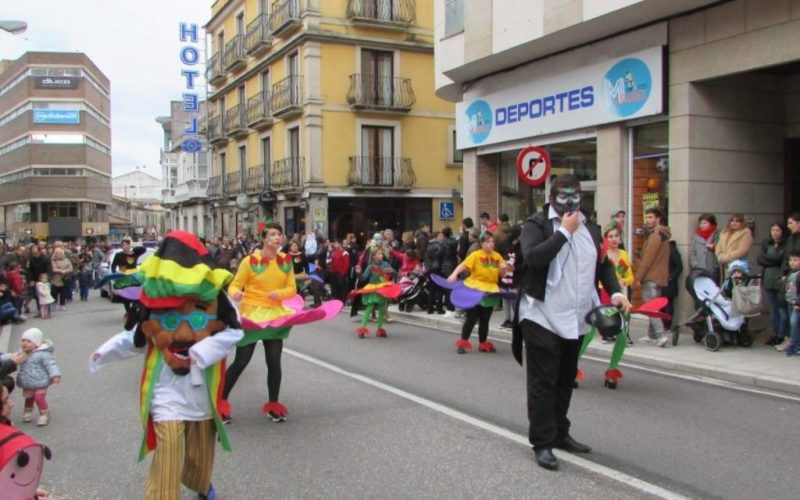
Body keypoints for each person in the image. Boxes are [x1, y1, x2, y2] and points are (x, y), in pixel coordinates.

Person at [90, 231, 242, 499]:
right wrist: (104, 352)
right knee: (169, 445)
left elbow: (234, 332)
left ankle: (200, 483)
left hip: (201, 391)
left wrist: (204, 349)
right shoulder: (155, 297)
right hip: (166, 389)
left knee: (200, 451)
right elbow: (138, 336)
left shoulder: (215, 296)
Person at [511, 174, 630, 471]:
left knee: (566, 379)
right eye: (563, 196)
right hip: (540, 314)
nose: (570, 201)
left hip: (576, 318)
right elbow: (534, 258)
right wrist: (563, 232)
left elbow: (604, 266)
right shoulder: (535, 226)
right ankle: (542, 442)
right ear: (551, 196)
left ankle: (561, 433)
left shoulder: (590, 227)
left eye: (575, 195)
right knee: (543, 381)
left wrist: (615, 292)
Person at [221, 223, 342, 424]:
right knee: (241, 361)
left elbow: (291, 289)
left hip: (275, 315)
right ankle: (221, 402)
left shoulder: (285, 261)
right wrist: (236, 293)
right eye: (273, 234)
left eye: (280, 234)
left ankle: (273, 405)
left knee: (274, 361)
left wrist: (280, 294)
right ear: (263, 239)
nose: (278, 237)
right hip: (253, 314)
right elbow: (235, 284)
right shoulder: (249, 261)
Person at [575, 225, 634, 388]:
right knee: (588, 333)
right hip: (600, 297)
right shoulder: (596, 255)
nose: (614, 239)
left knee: (622, 334)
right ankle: (573, 367)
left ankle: (612, 371)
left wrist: (623, 283)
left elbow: (630, 276)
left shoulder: (623, 255)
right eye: (610, 236)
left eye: (617, 236)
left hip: (619, 298)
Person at [447, 232, 511, 354]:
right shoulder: (476, 255)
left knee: (485, 318)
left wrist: (505, 268)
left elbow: (502, 274)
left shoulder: (497, 256)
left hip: (490, 290)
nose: (491, 244)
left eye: (492, 241)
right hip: (474, 289)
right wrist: (454, 274)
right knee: (471, 317)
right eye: (488, 242)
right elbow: (463, 266)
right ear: (482, 243)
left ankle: (483, 343)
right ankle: (463, 343)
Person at [634, 208, 672, 347]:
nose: (647, 220)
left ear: (658, 218)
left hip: (651, 276)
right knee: (654, 306)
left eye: (650, 217)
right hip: (660, 276)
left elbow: (648, 259)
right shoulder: (663, 235)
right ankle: (652, 334)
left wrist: (639, 276)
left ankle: (661, 336)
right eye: (647, 217)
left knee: (651, 307)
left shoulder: (656, 235)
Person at [350, 248, 400, 338]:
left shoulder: (386, 264)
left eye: (382, 253)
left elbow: (395, 274)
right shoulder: (370, 266)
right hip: (373, 288)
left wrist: (392, 272)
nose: (381, 255)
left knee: (382, 309)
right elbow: (363, 278)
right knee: (369, 308)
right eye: (379, 254)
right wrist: (358, 273)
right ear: (374, 256)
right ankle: (362, 330)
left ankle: (380, 329)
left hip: (382, 288)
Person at [16, 328, 61, 427]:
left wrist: (55, 375)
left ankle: (44, 413)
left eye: (28, 341)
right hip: (27, 381)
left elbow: (51, 364)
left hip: (41, 381)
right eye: (23, 341)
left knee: (39, 397)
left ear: (36, 343)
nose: (24, 343)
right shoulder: (22, 353)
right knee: (29, 397)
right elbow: (15, 361)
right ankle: (27, 411)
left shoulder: (43, 354)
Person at [758, 222, 787, 345]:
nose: (775, 232)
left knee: (782, 310)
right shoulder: (766, 243)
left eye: (777, 230)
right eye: (773, 230)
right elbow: (759, 259)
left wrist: (768, 258)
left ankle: (782, 335)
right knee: (773, 309)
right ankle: (774, 334)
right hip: (768, 279)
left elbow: (780, 259)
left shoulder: (785, 244)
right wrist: (772, 259)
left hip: (780, 279)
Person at [715, 214, 753, 281]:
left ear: (742, 223)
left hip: (738, 267)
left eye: (737, 221)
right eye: (732, 221)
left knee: (736, 288)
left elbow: (742, 251)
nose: (733, 223)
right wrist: (720, 256)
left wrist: (726, 258)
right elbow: (718, 247)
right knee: (725, 287)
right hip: (724, 266)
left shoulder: (746, 232)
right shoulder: (724, 232)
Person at [689, 213, 721, 284]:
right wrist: (695, 264)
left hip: (713, 269)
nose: (702, 225)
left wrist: (714, 247)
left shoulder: (718, 235)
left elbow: (722, 249)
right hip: (699, 269)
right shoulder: (696, 236)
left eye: (705, 223)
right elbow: (692, 252)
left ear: (711, 224)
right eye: (701, 223)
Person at [780, 251, 800, 356]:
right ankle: (795, 345)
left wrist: (798, 303)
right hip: (790, 302)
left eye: (795, 260)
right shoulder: (791, 273)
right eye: (790, 260)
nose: (792, 262)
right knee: (793, 324)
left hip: (797, 304)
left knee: (794, 324)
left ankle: (794, 346)